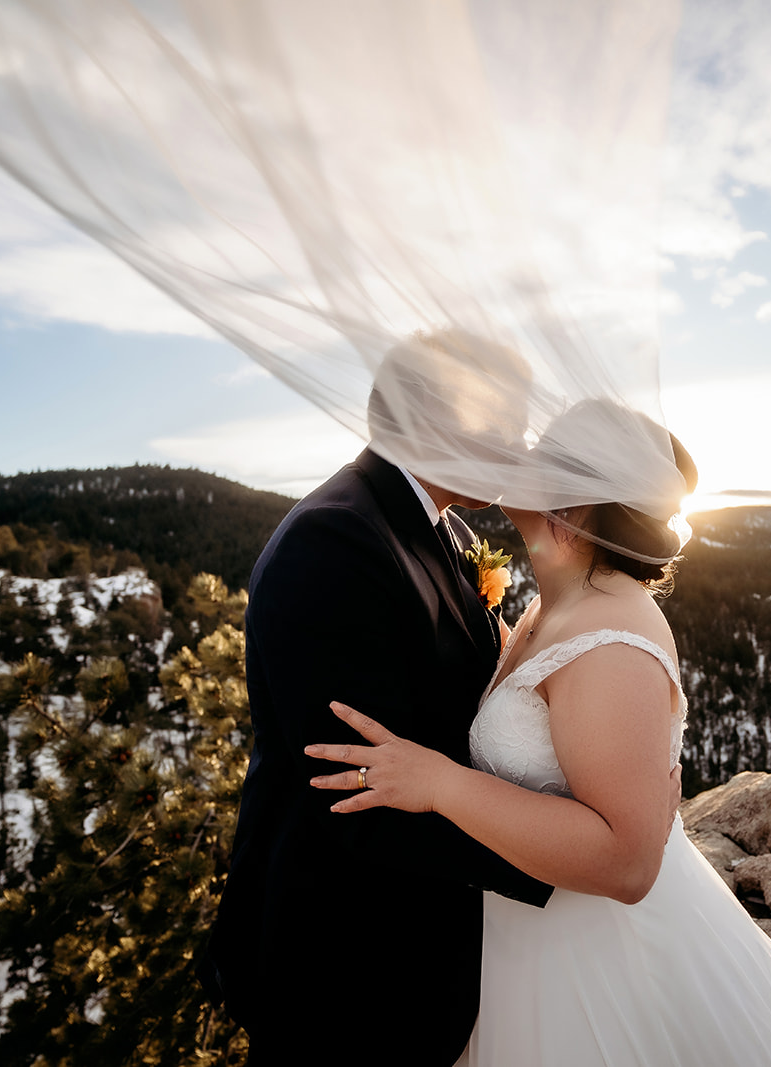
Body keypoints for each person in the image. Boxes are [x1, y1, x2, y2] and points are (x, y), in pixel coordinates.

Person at [305, 404, 771, 1066]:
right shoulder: (558, 600)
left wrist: (438, 782)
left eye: (547, 452)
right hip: (530, 938)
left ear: (574, 502)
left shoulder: (612, 637)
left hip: (601, 957)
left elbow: (627, 864)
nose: (523, 453)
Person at [200, 331, 574, 1066]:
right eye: (510, 423)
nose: (523, 444)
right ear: (443, 419)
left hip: (414, 946)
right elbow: (352, 791)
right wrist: (566, 854)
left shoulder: (444, 524)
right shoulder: (334, 538)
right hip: (342, 964)